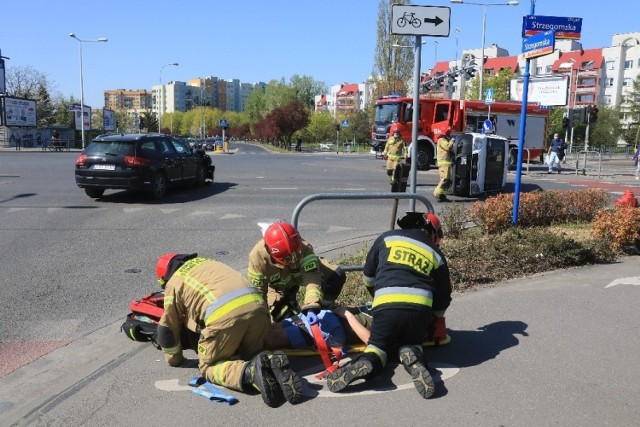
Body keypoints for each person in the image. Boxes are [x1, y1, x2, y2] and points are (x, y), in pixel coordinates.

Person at [326, 211, 452, 399]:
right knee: (412, 343)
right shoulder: (435, 253)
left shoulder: (387, 238)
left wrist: (379, 298)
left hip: (385, 307)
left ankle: (368, 361)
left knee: (378, 347)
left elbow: (368, 276)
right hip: (419, 311)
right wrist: (436, 317)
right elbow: (443, 297)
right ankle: (413, 355)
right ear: (432, 234)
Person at [155, 252, 303, 408]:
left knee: (208, 367)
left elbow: (167, 328)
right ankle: (272, 364)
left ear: (164, 278)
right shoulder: (206, 261)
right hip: (257, 307)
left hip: (225, 315)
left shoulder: (174, 282)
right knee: (253, 353)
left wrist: (175, 359)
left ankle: (250, 372)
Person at [247, 221, 346, 322]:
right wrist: (263, 320)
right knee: (286, 319)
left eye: (296, 254)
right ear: (270, 252)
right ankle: (290, 306)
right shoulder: (257, 258)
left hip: (299, 275)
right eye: (287, 258)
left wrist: (312, 305)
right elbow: (258, 293)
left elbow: (312, 276)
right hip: (277, 288)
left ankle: (325, 309)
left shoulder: (303, 247)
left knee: (336, 275)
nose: (293, 261)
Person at [433, 128, 454, 202]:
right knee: (445, 179)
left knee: (448, 180)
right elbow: (448, 147)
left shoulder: (444, 140)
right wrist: (452, 141)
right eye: (448, 133)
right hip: (444, 163)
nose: (449, 134)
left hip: (446, 163)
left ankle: (443, 195)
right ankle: (437, 193)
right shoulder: (442, 140)